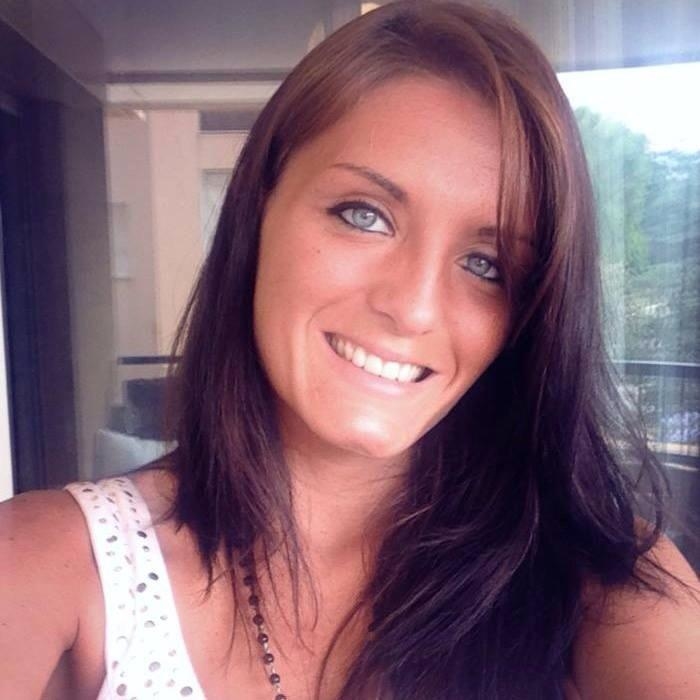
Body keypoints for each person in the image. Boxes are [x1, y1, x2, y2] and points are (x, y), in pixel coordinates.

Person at [1, 2, 699, 698]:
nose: (414, 307)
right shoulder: (49, 565)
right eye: (365, 215)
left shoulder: (603, 591)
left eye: (485, 264)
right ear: (259, 210)